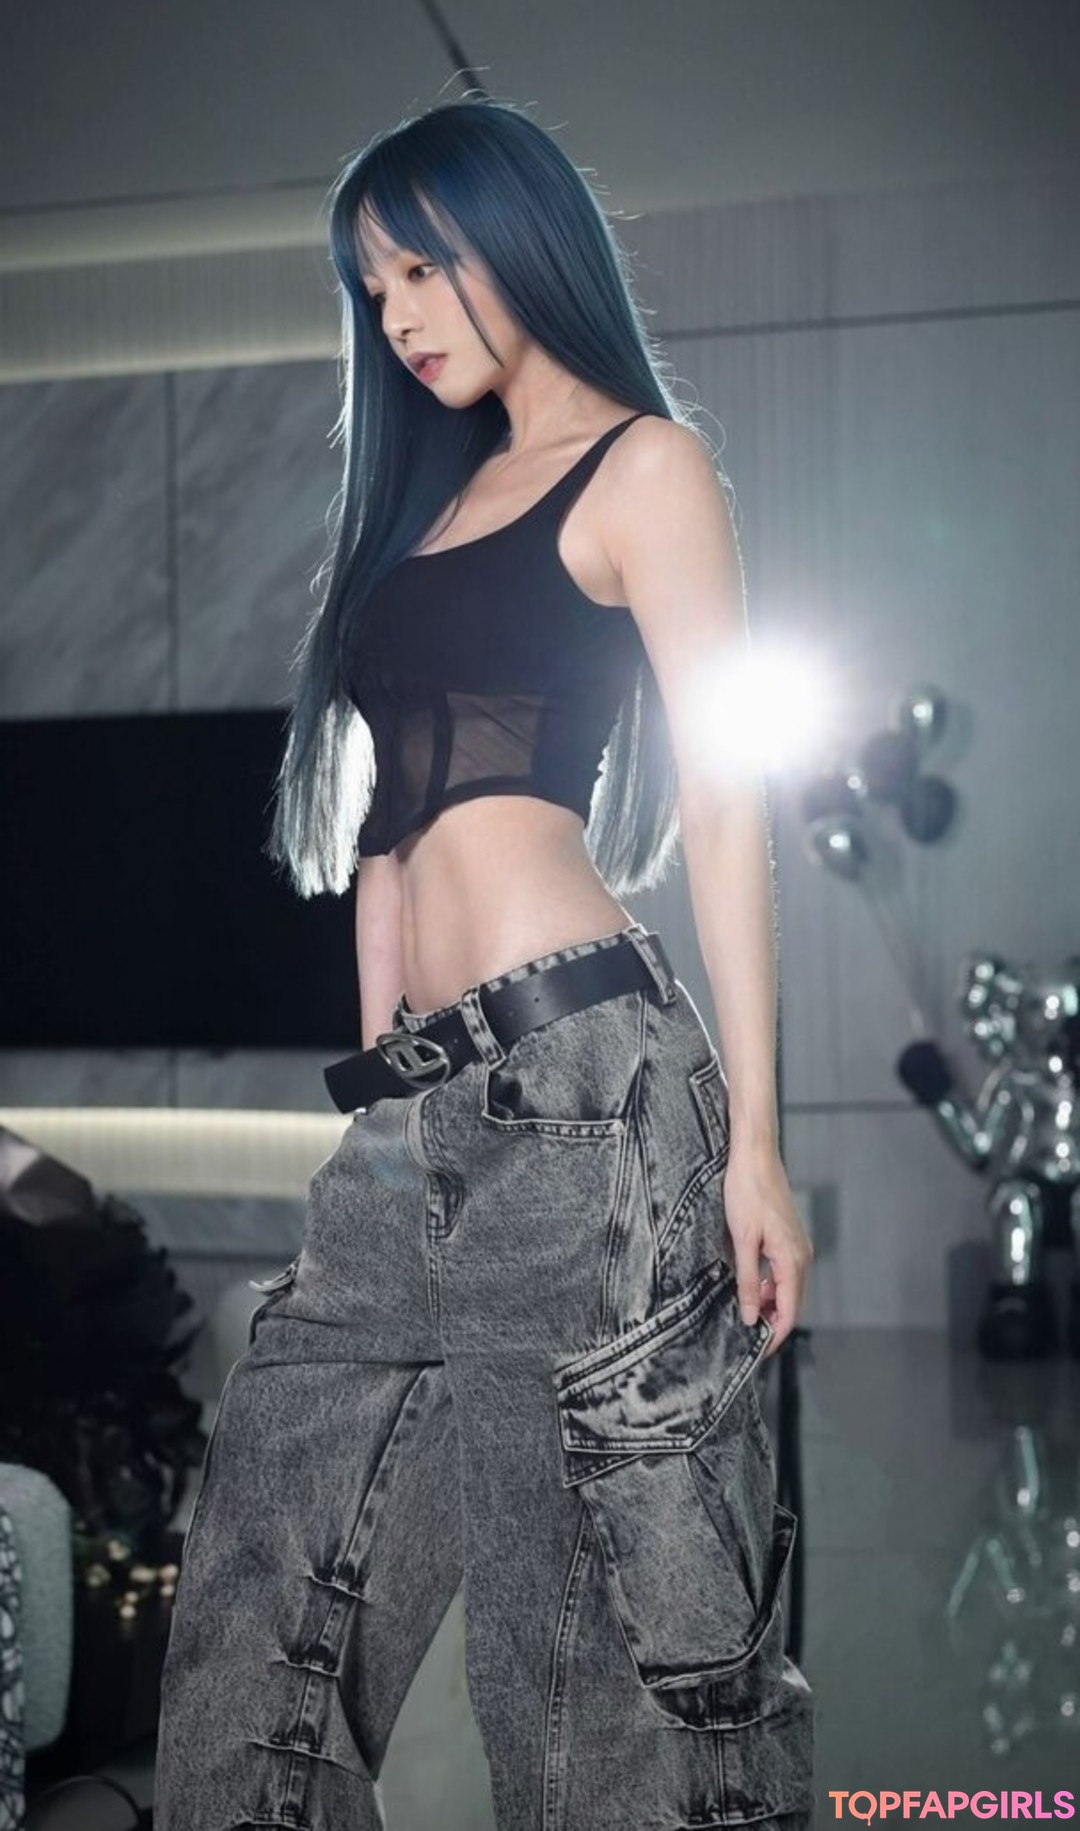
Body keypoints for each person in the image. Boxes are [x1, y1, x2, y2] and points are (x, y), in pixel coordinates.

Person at [154, 96, 815, 1831]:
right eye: (372, 289)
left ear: (519, 240)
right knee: (257, 1604)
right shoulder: (429, 506)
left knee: (582, 1667)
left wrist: (758, 1141)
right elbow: (388, 832)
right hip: (418, 1119)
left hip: (590, 1091)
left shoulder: (643, 470)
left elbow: (727, 804)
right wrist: (380, 1100)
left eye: (421, 269)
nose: (398, 317)